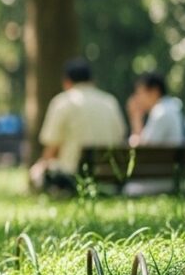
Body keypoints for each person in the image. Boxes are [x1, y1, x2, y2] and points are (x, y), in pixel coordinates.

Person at [29, 59, 125, 193]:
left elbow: (51, 147)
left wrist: (40, 167)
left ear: (67, 81)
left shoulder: (62, 102)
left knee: (37, 170)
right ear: (92, 80)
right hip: (107, 174)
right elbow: (120, 137)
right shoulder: (110, 102)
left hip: (72, 176)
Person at [127, 72, 185, 147]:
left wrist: (136, 118)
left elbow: (143, 150)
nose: (137, 99)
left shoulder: (161, 113)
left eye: (139, 93)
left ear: (154, 92)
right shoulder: (169, 106)